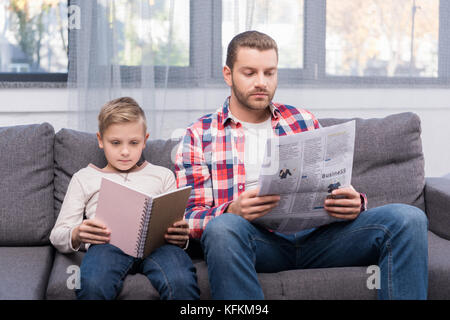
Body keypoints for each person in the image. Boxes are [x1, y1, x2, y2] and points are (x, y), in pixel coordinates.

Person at [175, 31, 428, 300]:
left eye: (269, 73)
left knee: (408, 218)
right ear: (228, 74)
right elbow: (187, 218)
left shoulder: (301, 120)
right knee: (222, 228)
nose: (261, 82)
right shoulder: (199, 135)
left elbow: (334, 183)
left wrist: (355, 202)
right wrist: (232, 210)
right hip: (258, 242)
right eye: (249, 73)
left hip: (319, 239)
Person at [50, 97, 200, 300]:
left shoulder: (163, 175)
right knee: (93, 283)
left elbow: (177, 226)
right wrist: (77, 233)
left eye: (134, 143)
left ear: (145, 140)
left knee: (182, 281)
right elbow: (58, 235)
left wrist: (181, 238)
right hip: (107, 246)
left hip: (159, 247)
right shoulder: (85, 178)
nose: (125, 151)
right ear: (100, 140)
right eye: (115, 143)